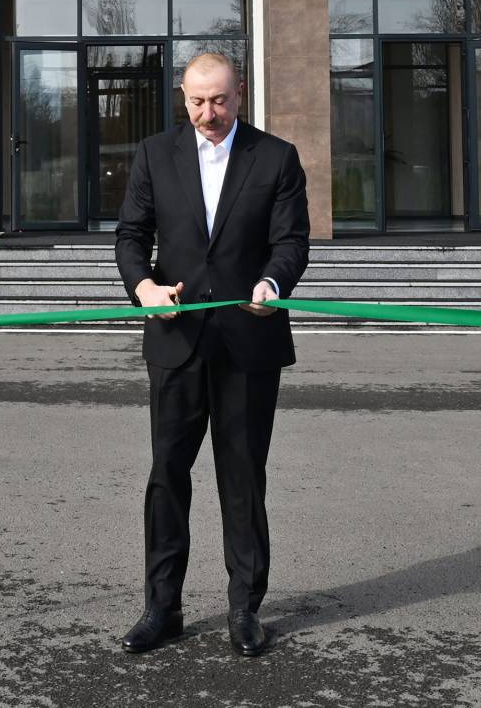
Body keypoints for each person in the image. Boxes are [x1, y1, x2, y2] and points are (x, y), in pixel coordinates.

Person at [114, 51, 311, 657]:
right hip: (176, 341)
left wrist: (272, 284)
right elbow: (131, 236)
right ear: (183, 96)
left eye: (220, 100)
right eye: (197, 101)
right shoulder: (154, 154)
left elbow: (291, 241)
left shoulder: (276, 157)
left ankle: (245, 609)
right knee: (166, 477)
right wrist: (144, 287)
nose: (208, 112)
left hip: (249, 340)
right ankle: (162, 608)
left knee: (243, 478)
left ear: (240, 92)